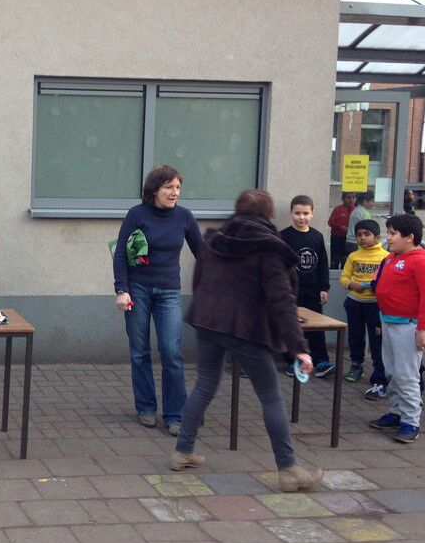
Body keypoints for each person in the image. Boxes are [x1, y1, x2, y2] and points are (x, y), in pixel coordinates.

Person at [172, 189, 322, 492]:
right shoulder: (270, 248)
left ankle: (182, 451)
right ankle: (289, 470)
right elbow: (282, 300)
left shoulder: (215, 240)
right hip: (246, 329)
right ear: (269, 214)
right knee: (270, 396)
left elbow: (199, 282)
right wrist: (300, 349)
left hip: (208, 321)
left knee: (204, 384)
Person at [114, 165, 202, 437]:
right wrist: (121, 290)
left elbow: (203, 253)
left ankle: (175, 414)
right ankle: (146, 407)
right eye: (169, 187)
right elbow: (120, 254)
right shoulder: (136, 215)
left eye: (178, 188)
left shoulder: (185, 217)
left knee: (171, 352)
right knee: (139, 352)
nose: (175, 193)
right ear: (154, 190)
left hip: (169, 292)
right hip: (137, 290)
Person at [369, 213, 425, 444]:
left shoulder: (420, 261)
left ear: (409, 237)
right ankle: (396, 412)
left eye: (393, 233)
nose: (388, 238)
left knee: (406, 375)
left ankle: (411, 421)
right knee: (391, 371)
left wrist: (422, 329)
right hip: (389, 322)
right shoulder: (391, 258)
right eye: (388, 233)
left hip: (408, 326)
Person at [280, 195, 333, 377]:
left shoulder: (317, 236)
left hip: (313, 289)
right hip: (291, 291)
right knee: (291, 325)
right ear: (291, 213)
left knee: (316, 326)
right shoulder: (283, 236)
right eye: (297, 213)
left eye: (305, 213)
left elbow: (323, 264)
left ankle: (321, 360)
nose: (301, 217)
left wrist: (324, 287)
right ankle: (293, 361)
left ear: (312, 213)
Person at [339, 219, 389, 393]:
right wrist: (350, 284)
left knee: (377, 339)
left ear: (377, 237)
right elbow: (344, 277)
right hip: (354, 302)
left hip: (375, 305)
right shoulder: (353, 256)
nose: (362, 238)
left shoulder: (385, 257)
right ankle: (356, 365)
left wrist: (376, 287)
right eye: (359, 234)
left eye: (366, 234)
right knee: (355, 336)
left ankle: (379, 371)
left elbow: (388, 281)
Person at [328, 193, 356, 269]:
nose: (351, 200)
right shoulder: (338, 209)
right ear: (343, 199)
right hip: (337, 238)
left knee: (346, 260)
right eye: (348, 198)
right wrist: (340, 227)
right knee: (335, 260)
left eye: (353, 197)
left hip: (349, 240)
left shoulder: (356, 211)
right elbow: (330, 222)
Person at [345, 192, 375, 258]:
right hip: (358, 243)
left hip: (349, 242)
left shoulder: (355, 211)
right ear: (365, 201)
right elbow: (368, 229)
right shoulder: (364, 213)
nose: (373, 204)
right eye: (372, 201)